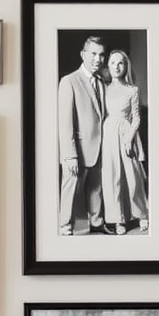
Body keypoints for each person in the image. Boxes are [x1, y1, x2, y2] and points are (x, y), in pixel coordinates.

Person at [58, 36, 106, 236]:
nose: (98, 59)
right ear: (83, 54)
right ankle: (65, 228)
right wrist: (70, 155)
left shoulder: (101, 82)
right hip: (77, 150)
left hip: (99, 146)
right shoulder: (69, 81)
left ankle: (96, 224)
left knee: (96, 189)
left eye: (101, 54)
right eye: (93, 54)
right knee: (70, 190)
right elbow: (65, 121)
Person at [101, 49, 149, 235]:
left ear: (125, 66)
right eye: (112, 63)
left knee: (133, 176)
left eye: (120, 63)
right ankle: (117, 219)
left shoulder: (132, 90)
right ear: (108, 66)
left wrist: (129, 138)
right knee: (112, 178)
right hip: (108, 133)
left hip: (126, 133)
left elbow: (136, 118)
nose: (116, 66)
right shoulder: (103, 88)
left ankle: (141, 214)